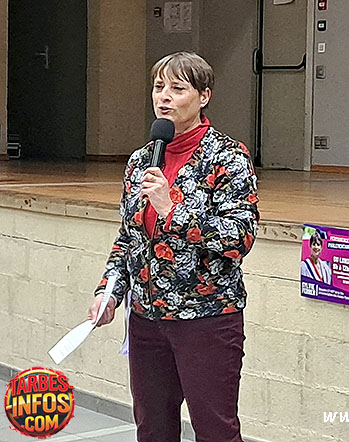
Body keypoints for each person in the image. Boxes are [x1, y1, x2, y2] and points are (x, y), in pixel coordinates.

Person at [87, 51, 260, 442]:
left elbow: (240, 238)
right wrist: (109, 292)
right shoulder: (141, 160)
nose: (163, 97)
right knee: (152, 429)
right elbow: (128, 238)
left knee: (215, 431)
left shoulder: (227, 157)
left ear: (204, 96)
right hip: (146, 320)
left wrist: (172, 210)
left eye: (177, 89)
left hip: (206, 318)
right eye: (158, 87)